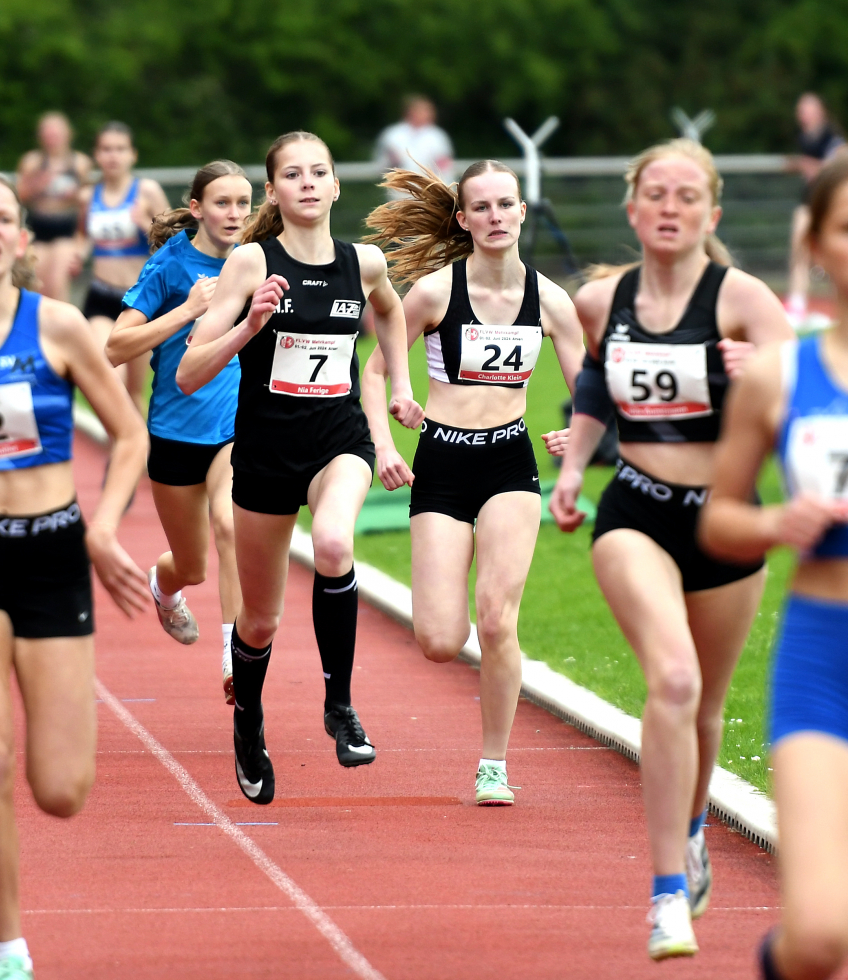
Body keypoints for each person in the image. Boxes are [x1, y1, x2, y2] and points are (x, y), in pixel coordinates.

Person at [548, 138, 792, 960]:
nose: (670, 206)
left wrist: (764, 375)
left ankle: (690, 831)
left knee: (707, 706)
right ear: (631, 208)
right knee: (675, 678)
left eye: (688, 196)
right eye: (656, 192)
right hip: (637, 514)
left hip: (725, 520)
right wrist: (576, 471)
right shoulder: (600, 301)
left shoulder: (746, 301)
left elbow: (810, 411)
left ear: (711, 215)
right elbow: (590, 384)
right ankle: (663, 897)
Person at [176, 131, 420, 804]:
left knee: (337, 542)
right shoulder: (252, 263)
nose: (308, 182)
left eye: (320, 172)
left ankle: (339, 707)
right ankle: (249, 725)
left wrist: (400, 383)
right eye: (293, 173)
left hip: (337, 438)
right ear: (276, 191)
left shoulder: (364, 263)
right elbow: (192, 371)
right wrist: (248, 327)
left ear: (337, 186)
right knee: (258, 623)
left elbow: (392, 312)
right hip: (265, 454)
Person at [0, 169, 149, 980]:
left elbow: (129, 436)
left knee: (61, 789)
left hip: (53, 553)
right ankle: (8, 951)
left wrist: (102, 528)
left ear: (24, 241)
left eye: (4, 216)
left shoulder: (60, 327)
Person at [361, 162, 582, 804]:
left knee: (497, 619)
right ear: (463, 219)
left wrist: (587, 435)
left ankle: (494, 763)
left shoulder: (552, 301)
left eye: (504, 205)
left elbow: (593, 391)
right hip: (442, 462)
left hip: (510, 464)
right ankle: (483, 724)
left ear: (520, 213)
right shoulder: (433, 294)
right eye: (479, 207)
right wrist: (381, 444)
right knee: (438, 639)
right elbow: (374, 373)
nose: (493, 216)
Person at [700, 155, 848, 980]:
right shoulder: (783, 377)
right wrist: (774, 520)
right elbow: (720, 518)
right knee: (823, 936)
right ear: (818, 245)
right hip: (825, 661)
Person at [106, 161, 251, 704]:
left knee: (229, 524)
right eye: (222, 203)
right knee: (189, 565)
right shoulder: (167, 267)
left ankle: (234, 657)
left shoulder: (253, 260)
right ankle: (164, 589)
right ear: (196, 208)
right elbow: (117, 348)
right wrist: (188, 310)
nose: (234, 214)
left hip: (237, 427)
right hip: (174, 433)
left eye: (243, 202)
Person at [79, 121, 169, 409]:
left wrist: (145, 224)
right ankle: (118, 448)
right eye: (106, 149)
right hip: (100, 295)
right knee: (109, 379)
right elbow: (82, 238)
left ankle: (134, 451)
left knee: (133, 394)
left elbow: (175, 242)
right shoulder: (87, 197)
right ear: (97, 155)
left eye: (120, 149)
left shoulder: (147, 191)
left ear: (133, 155)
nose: (113, 156)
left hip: (139, 300)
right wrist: (76, 254)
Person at [15, 112, 92, 302]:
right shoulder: (32, 162)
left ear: (67, 135)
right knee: (38, 286)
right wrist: (37, 186)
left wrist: (75, 196)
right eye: (48, 135)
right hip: (39, 227)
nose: (52, 140)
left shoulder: (80, 163)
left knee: (58, 283)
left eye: (56, 134)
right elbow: (18, 197)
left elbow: (88, 202)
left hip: (65, 229)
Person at [785, 93, 844, 329]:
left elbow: (837, 165)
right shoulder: (804, 138)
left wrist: (812, 167)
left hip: (826, 205)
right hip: (808, 203)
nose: (802, 115)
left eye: (806, 109)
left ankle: (837, 307)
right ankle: (797, 304)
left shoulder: (831, 137)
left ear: (819, 111)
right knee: (799, 250)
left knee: (833, 256)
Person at [374, 96, 455, 187]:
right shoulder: (393, 134)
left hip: (431, 188)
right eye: (422, 110)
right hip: (400, 187)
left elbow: (444, 164)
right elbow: (383, 162)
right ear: (410, 112)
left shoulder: (437, 136)